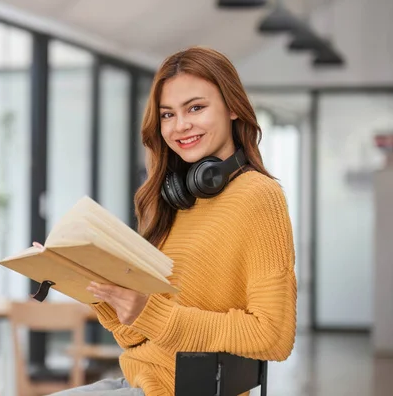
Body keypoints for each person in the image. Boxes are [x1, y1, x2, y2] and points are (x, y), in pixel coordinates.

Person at [48, 46, 297, 396]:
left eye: (196, 108)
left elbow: (273, 335)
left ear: (233, 108)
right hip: (140, 380)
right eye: (167, 114)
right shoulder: (175, 200)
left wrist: (151, 312)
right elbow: (137, 336)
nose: (180, 125)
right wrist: (95, 287)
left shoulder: (258, 196)